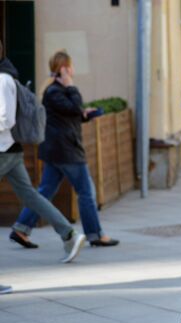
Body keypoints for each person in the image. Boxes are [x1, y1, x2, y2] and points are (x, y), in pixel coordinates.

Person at [13, 50, 119, 247]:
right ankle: (95, 234)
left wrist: (85, 114)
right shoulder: (55, 91)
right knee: (86, 192)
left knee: (44, 192)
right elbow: (73, 106)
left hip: (57, 150)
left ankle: (21, 229)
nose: (72, 70)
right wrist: (71, 86)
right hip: (66, 151)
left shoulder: (55, 91)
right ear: (63, 68)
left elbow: (71, 113)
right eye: (70, 66)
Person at [0, 41, 86, 262]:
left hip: (4, 149)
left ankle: (71, 234)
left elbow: (5, 119)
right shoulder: (8, 77)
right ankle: (68, 234)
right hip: (13, 149)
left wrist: (71, 87)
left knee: (40, 194)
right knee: (33, 196)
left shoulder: (2, 79)